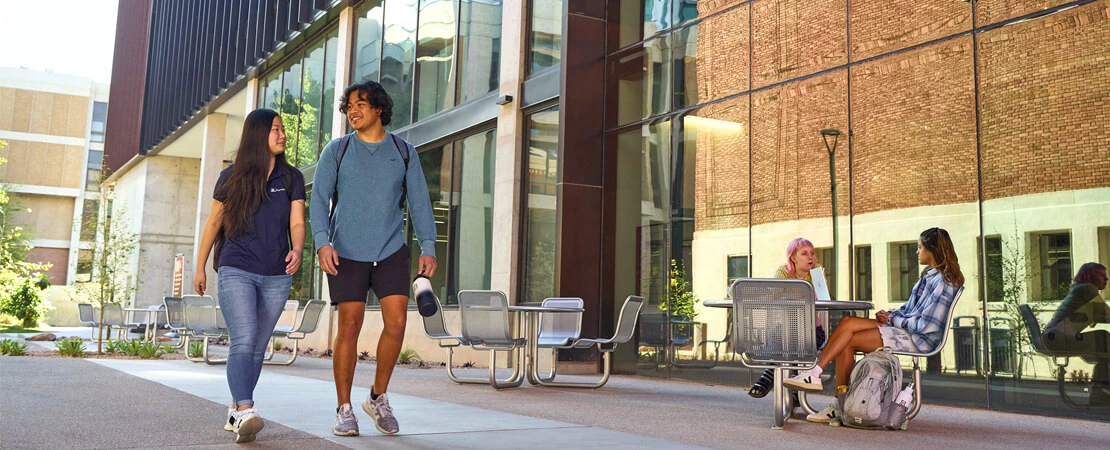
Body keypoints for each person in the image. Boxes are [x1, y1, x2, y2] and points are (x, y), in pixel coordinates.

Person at [310, 81, 437, 436]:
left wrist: (428, 244)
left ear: (379, 108)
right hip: (345, 252)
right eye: (349, 105)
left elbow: (420, 202)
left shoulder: (403, 151)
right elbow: (318, 201)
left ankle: (378, 398)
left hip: (391, 249)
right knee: (349, 324)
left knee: (396, 323)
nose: (353, 110)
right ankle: (344, 408)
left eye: (361, 103)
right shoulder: (336, 150)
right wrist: (323, 242)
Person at [193, 109, 306, 444]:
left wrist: (297, 249)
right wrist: (199, 266)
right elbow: (214, 224)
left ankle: (235, 409)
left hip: (276, 273)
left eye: (283, 129)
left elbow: (297, 222)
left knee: (257, 346)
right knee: (243, 340)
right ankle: (245, 409)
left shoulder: (291, 178)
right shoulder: (231, 178)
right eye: (275, 129)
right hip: (237, 267)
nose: (282, 134)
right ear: (258, 134)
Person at [784, 227, 963, 423]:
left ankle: (832, 396)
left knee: (847, 340)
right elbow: (910, 310)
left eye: (920, 247)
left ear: (932, 250)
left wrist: (893, 320)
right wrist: (891, 314)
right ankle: (825, 385)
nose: (917, 251)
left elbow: (926, 325)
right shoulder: (929, 276)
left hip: (918, 339)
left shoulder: (945, 282)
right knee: (847, 322)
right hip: (904, 329)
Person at [747, 239, 827, 408]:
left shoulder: (816, 273)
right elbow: (776, 298)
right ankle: (796, 394)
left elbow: (822, 299)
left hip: (812, 332)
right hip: (784, 331)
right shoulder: (783, 272)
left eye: (812, 253)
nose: (810, 257)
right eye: (804, 253)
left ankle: (768, 376)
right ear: (793, 258)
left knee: (791, 340)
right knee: (787, 338)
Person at [1042, 262, 1109, 402]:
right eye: (1102, 275)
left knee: (1103, 342)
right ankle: (1101, 393)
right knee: (1104, 339)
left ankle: (1100, 393)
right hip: (1059, 339)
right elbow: (1106, 314)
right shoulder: (1088, 288)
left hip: (1053, 337)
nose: (1106, 279)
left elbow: (1100, 315)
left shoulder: (1080, 288)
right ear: (1090, 276)